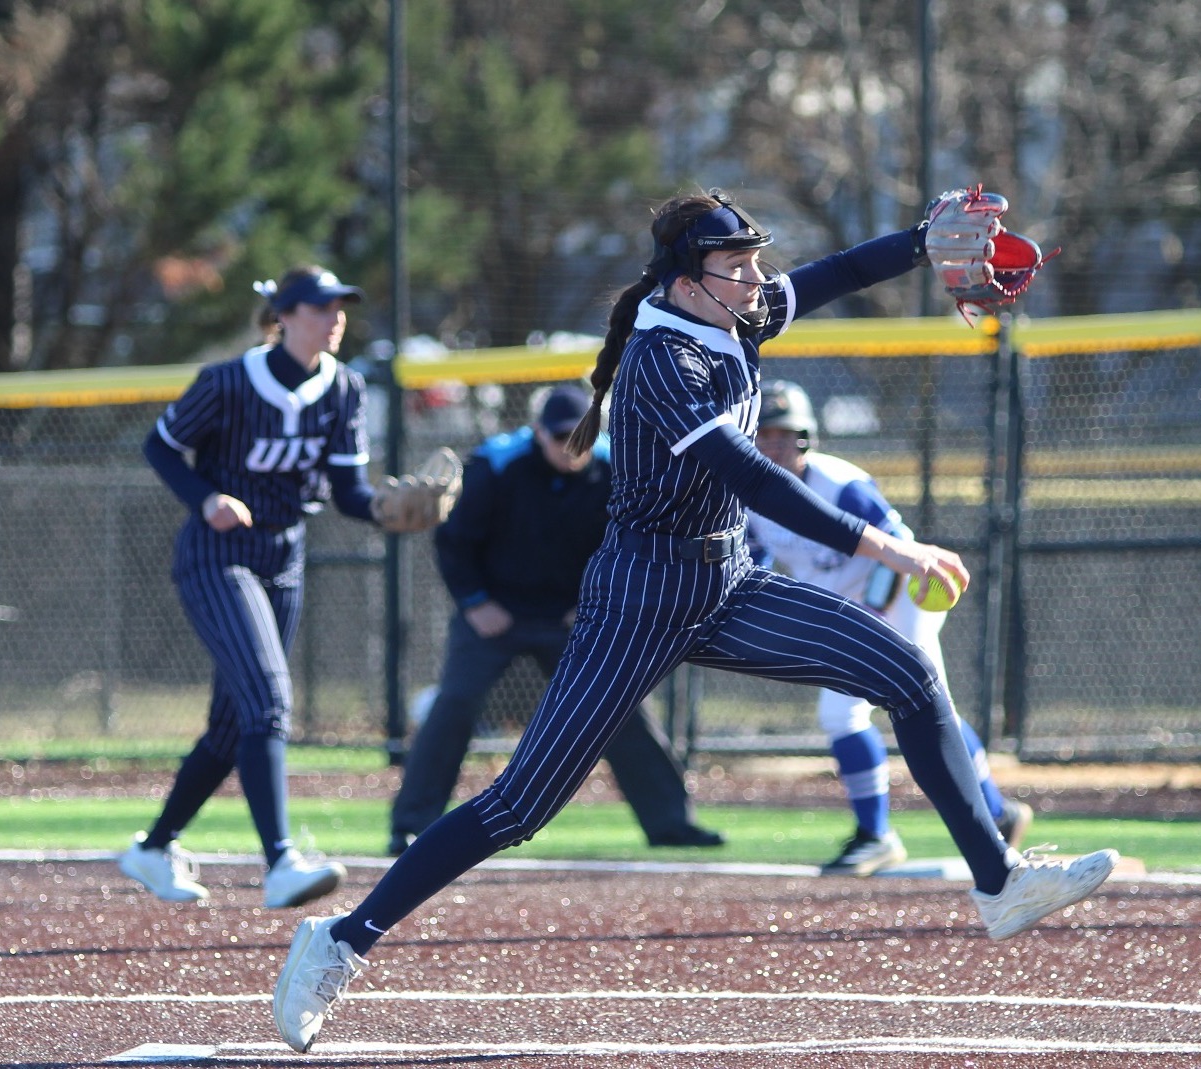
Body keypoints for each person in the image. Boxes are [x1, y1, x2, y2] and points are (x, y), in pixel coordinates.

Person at [273, 189, 1119, 1052]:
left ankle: (999, 881)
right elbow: (757, 480)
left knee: (909, 674)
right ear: (687, 280)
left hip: (724, 581)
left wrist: (916, 240)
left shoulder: (732, 311)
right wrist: (889, 551)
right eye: (738, 265)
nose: (758, 278)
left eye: (755, 260)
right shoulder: (661, 362)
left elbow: (839, 273)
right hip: (639, 598)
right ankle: (339, 942)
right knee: (519, 805)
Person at [121, 265, 407, 910]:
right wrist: (206, 498)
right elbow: (161, 447)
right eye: (319, 308)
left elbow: (348, 492)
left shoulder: (345, 389)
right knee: (269, 700)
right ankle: (280, 862)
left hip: (284, 555)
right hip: (217, 554)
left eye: (340, 308)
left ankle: (152, 847)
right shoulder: (227, 381)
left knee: (233, 723)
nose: (334, 319)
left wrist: (390, 510)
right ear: (284, 316)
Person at [387, 384, 724, 857]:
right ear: (537, 433)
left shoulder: (619, 467)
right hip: (495, 612)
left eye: (582, 436)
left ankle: (671, 823)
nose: (573, 447)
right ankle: (411, 825)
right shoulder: (494, 466)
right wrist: (475, 601)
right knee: (455, 703)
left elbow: (628, 543)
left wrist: (594, 601)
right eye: (561, 436)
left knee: (620, 706)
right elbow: (454, 542)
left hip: (575, 615)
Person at [747, 379, 1033, 876]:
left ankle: (881, 834)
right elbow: (751, 562)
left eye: (784, 433)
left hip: (899, 596)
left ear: (807, 437)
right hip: (843, 604)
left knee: (900, 705)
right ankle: (991, 814)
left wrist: (874, 616)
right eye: (764, 433)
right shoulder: (749, 496)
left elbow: (898, 547)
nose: (774, 444)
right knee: (854, 715)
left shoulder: (841, 483)